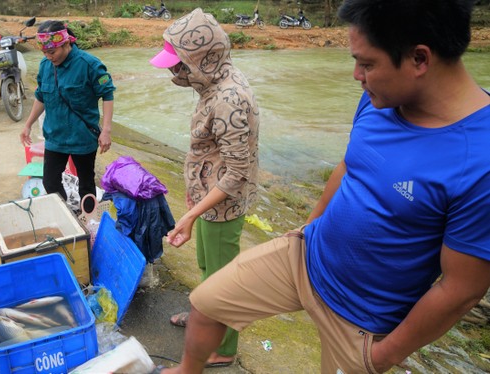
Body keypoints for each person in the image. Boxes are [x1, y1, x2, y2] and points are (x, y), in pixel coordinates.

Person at [158, 0, 490, 373]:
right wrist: (307, 226)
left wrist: (384, 354)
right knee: (206, 301)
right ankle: (188, 369)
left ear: (419, 59)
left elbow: (462, 289)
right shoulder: (379, 99)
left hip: (361, 319)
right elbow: (351, 165)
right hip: (306, 256)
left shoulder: (480, 160)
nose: (356, 76)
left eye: (366, 64)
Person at [149, 8, 260, 368]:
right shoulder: (213, 81)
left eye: (178, 63)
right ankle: (204, 318)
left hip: (223, 206)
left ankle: (223, 347)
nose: (173, 71)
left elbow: (237, 172)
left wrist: (192, 214)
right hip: (208, 201)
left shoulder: (229, 98)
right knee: (207, 267)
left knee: (222, 280)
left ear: (201, 60)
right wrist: (195, 203)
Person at [20, 20, 115, 213]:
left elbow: (108, 94)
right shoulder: (46, 65)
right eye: (45, 53)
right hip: (55, 136)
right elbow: (41, 96)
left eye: (52, 52)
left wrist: (106, 130)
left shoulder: (90, 65)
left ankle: (89, 219)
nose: (49, 56)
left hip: (82, 137)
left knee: (86, 185)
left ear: (66, 43)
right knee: (50, 182)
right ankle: (68, 215)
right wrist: (28, 124)